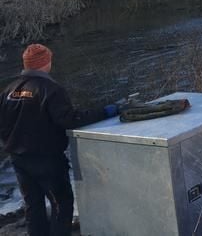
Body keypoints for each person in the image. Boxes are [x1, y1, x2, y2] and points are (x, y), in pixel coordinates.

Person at [0, 44, 119, 236]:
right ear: (45, 63)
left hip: (18, 159)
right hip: (46, 159)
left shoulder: (9, 90)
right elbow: (70, 119)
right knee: (61, 204)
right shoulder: (50, 89)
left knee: (33, 205)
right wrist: (105, 112)